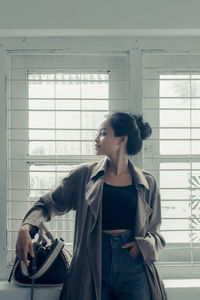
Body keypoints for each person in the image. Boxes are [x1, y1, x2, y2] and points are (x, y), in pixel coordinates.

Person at [16, 112, 167, 300]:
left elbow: (156, 233)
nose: (96, 139)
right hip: (91, 264)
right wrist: (25, 228)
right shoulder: (84, 175)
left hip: (134, 267)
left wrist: (142, 245)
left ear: (122, 139)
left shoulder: (147, 183)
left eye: (103, 133)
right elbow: (48, 204)